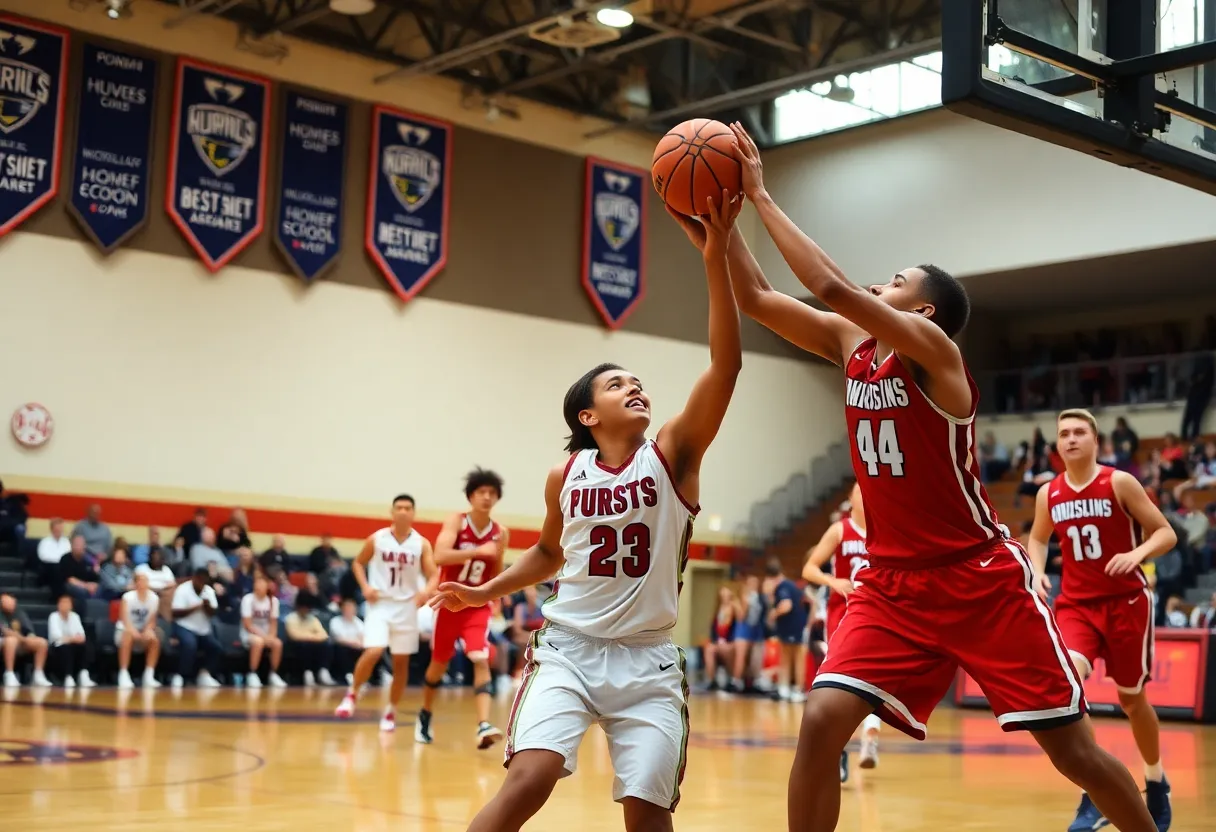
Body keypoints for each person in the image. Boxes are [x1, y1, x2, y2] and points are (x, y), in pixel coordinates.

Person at [721, 122, 1157, 832]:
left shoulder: (933, 352)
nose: (878, 282)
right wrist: (719, 227)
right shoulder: (850, 343)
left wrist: (760, 195)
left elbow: (827, 284)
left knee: (1074, 752)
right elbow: (759, 302)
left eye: (896, 281)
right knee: (822, 718)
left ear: (923, 311)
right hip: (893, 584)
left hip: (979, 577)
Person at [430, 189, 742, 832]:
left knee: (647, 815)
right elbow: (550, 554)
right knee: (531, 778)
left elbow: (727, 363)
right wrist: (482, 590)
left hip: (650, 660)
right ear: (587, 415)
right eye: (616, 383)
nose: (635, 386)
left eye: (637, 380)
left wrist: (716, 258)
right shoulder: (564, 474)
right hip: (569, 649)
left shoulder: (675, 453)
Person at [1028, 409, 1177, 832]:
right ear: (1057, 444)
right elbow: (1038, 538)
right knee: (1070, 683)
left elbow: (1165, 532)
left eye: (1079, 432)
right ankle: (1096, 791)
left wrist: (1136, 554)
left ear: (1096, 441)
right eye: (1064, 434)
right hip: (1076, 606)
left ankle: (1155, 778)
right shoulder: (1048, 493)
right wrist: (1037, 569)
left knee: (1132, 701)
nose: (1071, 438)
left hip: (1126, 603)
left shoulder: (1118, 482)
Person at [418, 468, 509, 748]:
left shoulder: (500, 533)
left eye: (492, 493)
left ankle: (483, 724)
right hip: (449, 603)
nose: (486, 497)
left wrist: (495, 600)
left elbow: (496, 570)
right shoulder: (456, 521)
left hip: (476, 605)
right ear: (471, 496)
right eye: (481, 492)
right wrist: (475, 551)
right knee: (438, 665)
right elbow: (440, 555)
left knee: (479, 657)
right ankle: (425, 714)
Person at [334, 494, 438, 732]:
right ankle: (352, 694)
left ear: (413, 513)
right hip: (380, 604)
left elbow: (434, 575)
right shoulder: (377, 538)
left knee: (401, 663)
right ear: (392, 512)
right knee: (374, 650)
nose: (403, 511)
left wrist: (425, 593)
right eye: (399, 508)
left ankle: (391, 710)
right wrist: (365, 587)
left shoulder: (421, 543)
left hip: (407, 608)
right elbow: (358, 563)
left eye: (407, 508)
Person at [802, 482, 881, 779]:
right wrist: (833, 582)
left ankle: (870, 736)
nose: (866, 494)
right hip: (841, 616)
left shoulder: (883, 531)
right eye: (859, 490)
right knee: (838, 688)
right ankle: (839, 750)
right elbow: (809, 568)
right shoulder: (839, 530)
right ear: (850, 498)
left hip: (875, 615)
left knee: (873, 681)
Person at [116, 571, 163, 689]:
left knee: (154, 639)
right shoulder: (127, 597)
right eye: (140, 580)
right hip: (125, 629)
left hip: (143, 630)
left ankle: (149, 675)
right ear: (135, 583)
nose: (143, 583)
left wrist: (147, 630)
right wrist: (133, 631)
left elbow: (152, 620)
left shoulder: (154, 598)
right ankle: (123, 673)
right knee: (127, 636)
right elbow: (124, 619)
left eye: (146, 580)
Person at [240, 575, 287, 689]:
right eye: (257, 583)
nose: (258, 586)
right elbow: (248, 625)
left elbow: (273, 623)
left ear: (268, 586)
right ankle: (252, 674)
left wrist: (271, 636)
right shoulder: (248, 599)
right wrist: (263, 636)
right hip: (249, 634)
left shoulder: (273, 601)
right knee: (258, 642)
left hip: (266, 634)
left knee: (277, 643)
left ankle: (273, 674)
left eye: (261, 583)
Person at [47, 595, 94, 688]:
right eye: (62, 602)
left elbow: (81, 635)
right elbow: (56, 637)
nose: (65, 605)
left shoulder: (75, 616)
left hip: (73, 645)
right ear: (58, 605)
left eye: (67, 602)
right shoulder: (53, 616)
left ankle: (83, 674)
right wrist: (72, 638)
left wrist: (72, 639)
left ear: (71, 605)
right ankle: (68, 676)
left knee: (84, 646)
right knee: (66, 647)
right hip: (57, 646)